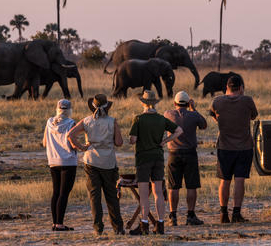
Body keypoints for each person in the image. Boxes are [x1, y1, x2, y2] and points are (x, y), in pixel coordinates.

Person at [67, 94, 125, 235]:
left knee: (95, 197)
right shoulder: (112, 121)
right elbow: (119, 142)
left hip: (91, 161)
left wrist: (81, 147)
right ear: (107, 107)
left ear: (93, 106)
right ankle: (118, 228)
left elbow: (70, 135)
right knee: (112, 196)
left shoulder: (87, 121)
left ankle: (98, 227)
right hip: (109, 163)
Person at [129, 90, 183, 235]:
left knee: (144, 193)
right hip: (158, 157)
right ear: (154, 103)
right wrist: (165, 141)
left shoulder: (138, 119)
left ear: (143, 103)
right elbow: (179, 131)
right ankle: (160, 224)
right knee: (158, 192)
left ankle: (144, 224)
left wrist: (135, 139)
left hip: (143, 158)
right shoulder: (161, 119)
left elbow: (133, 140)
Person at [209, 74, 258, 224]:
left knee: (224, 180)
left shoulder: (217, 101)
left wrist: (220, 120)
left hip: (224, 147)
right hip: (244, 147)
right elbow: (253, 116)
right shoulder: (247, 100)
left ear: (226, 88)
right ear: (241, 88)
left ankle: (224, 213)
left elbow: (212, 113)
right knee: (239, 180)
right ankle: (236, 213)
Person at [163, 91, 208, 226]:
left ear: (175, 103)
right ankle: (190, 215)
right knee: (191, 186)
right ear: (188, 103)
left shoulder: (168, 114)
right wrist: (193, 108)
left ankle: (173, 216)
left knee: (173, 186)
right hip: (190, 153)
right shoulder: (193, 115)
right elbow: (204, 125)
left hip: (173, 153)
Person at [42, 99, 77, 231]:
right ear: (69, 110)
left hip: (53, 161)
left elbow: (44, 142)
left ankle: (55, 223)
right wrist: (82, 147)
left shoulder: (49, 122)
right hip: (68, 161)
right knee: (64, 193)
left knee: (56, 192)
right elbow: (73, 143)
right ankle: (60, 224)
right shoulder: (71, 123)